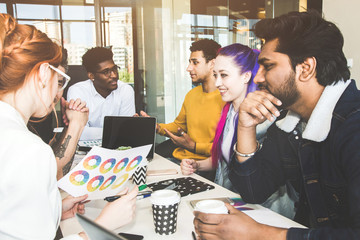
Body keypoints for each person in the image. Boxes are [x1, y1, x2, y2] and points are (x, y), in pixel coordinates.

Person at [194, 11, 360, 240]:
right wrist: (245, 127)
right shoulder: (291, 122)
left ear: (306, 68)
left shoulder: (354, 127)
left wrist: (260, 233)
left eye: (267, 66)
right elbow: (253, 189)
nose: (258, 78)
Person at [0, 14, 137, 240]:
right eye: (61, 79)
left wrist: (55, 208)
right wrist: (104, 225)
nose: (60, 92)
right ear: (44, 74)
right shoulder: (28, 150)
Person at [180, 43, 261, 190]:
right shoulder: (229, 111)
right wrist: (197, 165)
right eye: (215, 75)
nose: (217, 83)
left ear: (246, 76)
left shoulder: (259, 119)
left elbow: (254, 180)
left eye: (224, 75)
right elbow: (223, 159)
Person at [141, 39, 224, 164]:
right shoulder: (192, 95)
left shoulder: (225, 99)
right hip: (179, 159)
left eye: (195, 63)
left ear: (212, 64)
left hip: (203, 165)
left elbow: (227, 148)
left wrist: (194, 146)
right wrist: (157, 127)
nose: (188, 68)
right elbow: (179, 126)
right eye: (189, 62)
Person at [28, 48, 89, 179]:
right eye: (51, 81)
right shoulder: (13, 123)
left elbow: (59, 174)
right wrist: (76, 125)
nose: (56, 91)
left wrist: (69, 127)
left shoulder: (42, 117)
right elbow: (47, 175)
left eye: (60, 83)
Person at [67, 47, 135, 140]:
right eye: (106, 72)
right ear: (91, 76)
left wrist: (92, 132)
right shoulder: (77, 91)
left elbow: (127, 130)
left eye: (114, 69)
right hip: (84, 150)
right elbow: (78, 132)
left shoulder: (126, 90)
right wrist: (115, 132)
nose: (114, 75)